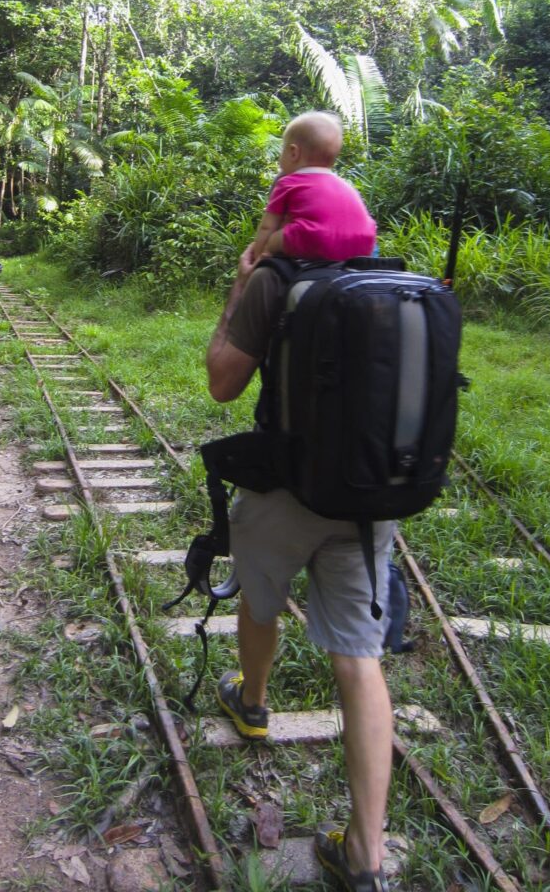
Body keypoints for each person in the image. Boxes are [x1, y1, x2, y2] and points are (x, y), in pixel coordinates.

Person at [205, 245, 395, 892]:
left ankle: (253, 702)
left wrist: (239, 289)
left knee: (259, 602)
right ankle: (365, 854)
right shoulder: (390, 279)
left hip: (287, 489)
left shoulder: (273, 278)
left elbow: (222, 383)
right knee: (360, 659)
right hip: (370, 497)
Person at [249, 111, 376, 264]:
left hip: (317, 237)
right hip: (364, 241)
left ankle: (262, 261)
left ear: (293, 152)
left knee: (274, 240)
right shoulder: (344, 185)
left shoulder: (288, 182)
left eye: (282, 149)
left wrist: (259, 254)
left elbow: (267, 227)